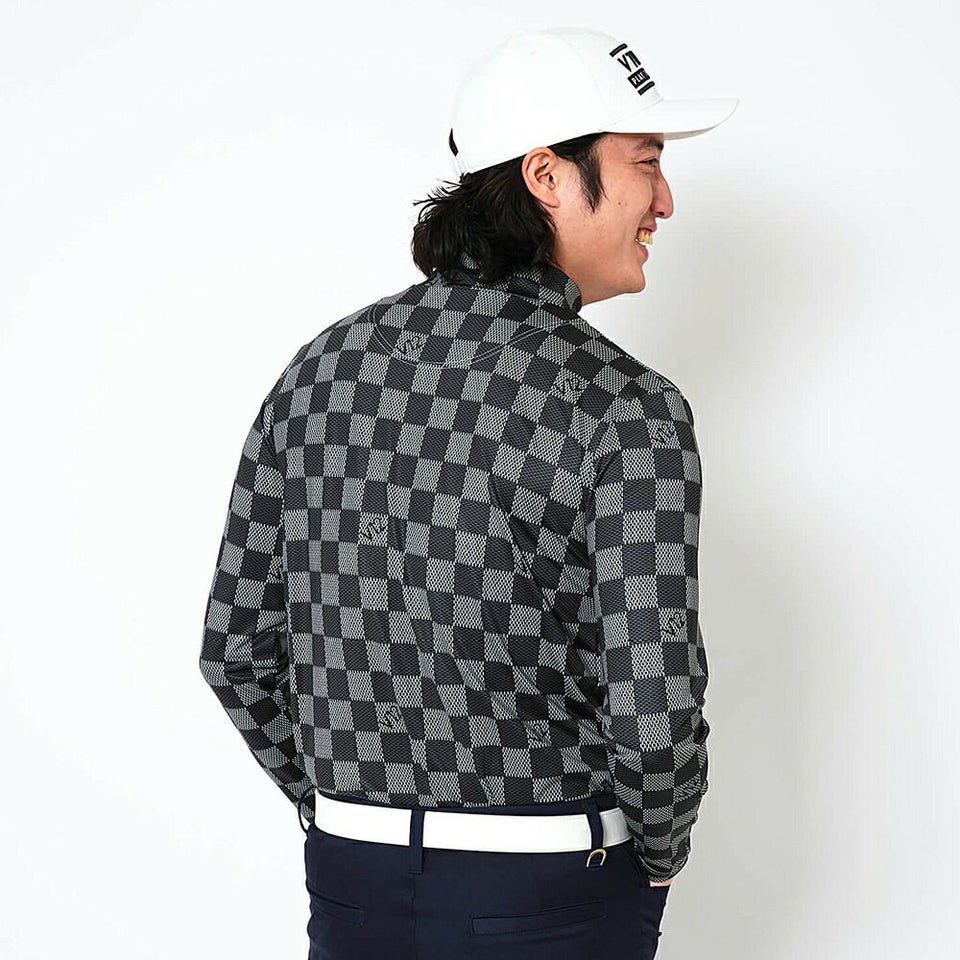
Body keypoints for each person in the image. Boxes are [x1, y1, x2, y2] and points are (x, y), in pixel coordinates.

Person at [198, 25, 737, 960]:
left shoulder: (319, 373)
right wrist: (661, 853)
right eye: (647, 162)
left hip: (354, 883)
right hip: (554, 895)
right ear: (546, 176)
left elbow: (236, 651)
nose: (665, 201)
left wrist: (341, 811)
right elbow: (652, 716)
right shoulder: (624, 405)